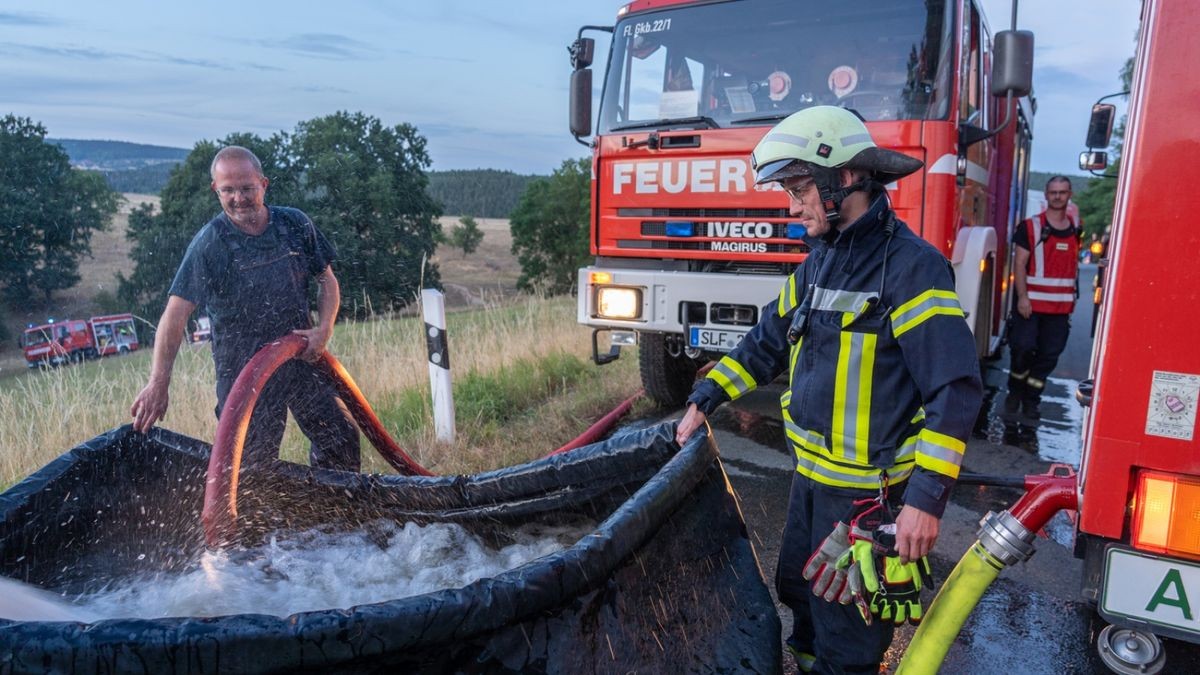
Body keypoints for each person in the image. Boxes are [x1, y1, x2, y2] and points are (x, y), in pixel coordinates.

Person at [675, 106, 981, 673]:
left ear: (843, 179)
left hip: (868, 501)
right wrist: (704, 399)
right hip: (809, 487)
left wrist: (923, 503)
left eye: (798, 188)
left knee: (851, 639)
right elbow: (765, 341)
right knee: (803, 603)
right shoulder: (818, 265)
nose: (791, 206)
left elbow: (955, 392)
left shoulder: (912, 270)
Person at [130, 146, 360, 471]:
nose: (239, 198)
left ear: (264, 184)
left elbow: (327, 281)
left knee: (341, 437)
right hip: (242, 375)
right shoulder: (210, 244)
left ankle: (336, 517)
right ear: (215, 190)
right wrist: (158, 382)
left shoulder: (294, 224)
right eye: (228, 190)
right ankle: (261, 522)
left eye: (247, 188)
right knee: (252, 467)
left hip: (301, 358)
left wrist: (324, 329)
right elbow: (175, 315)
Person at [1005, 176, 1081, 423]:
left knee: (1048, 357)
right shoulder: (1031, 227)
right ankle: (1015, 393)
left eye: (1062, 192)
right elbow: (1020, 263)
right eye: (1053, 192)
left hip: (1059, 310)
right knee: (1023, 350)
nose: (1057, 196)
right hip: (1031, 306)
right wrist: (1022, 297)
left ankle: (1031, 401)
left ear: (1069, 195)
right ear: (1046, 196)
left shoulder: (1075, 228)